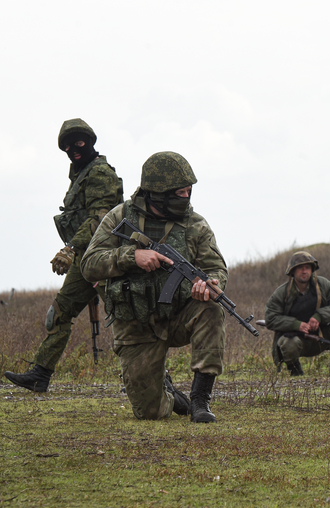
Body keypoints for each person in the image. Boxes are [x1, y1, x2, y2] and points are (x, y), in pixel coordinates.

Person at [80, 151, 226, 423]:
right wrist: (130, 257)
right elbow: (88, 264)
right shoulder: (119, 216)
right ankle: (171, 394)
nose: (186, 197)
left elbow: (216, 268)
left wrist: (210, 285)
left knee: (212, 310)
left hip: (178, 316)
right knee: (149, 413)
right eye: (178, 192)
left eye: (188, 191)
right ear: (156, 193)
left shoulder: (195, 225)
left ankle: (200, 400)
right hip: (134, 324)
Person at [4, 118, 123, 392]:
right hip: (85, 258)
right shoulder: (81, 174)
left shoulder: (100, 173)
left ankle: (151, 378)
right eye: (68, 146)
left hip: (106, 258)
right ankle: (40, 375)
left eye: (79, 143)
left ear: (90, 142)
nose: (74, 149)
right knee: (58, 314)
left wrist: (70, 248)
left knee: (125, 318)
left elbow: (100, 218)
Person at [264, 251, 330, 377]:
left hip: (321, 338)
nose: (304, 271)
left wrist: (319, 317)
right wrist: (295, 324)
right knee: (287, 343)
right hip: (297, 341)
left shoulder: (324, 285)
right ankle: (295, 370)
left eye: (307, 268)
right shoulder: (282, 293)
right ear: (292, 271)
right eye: (300, 268)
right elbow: (270, 318)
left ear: (312, 270)